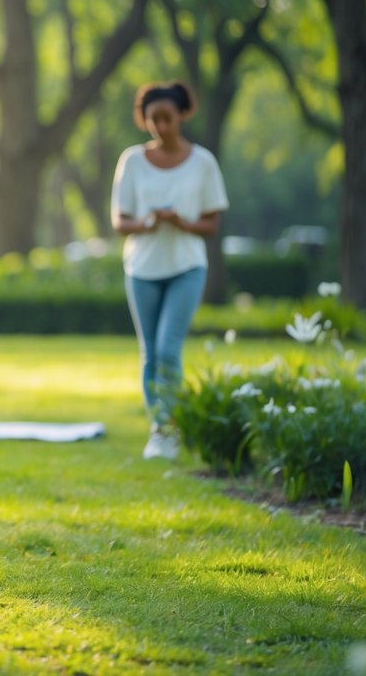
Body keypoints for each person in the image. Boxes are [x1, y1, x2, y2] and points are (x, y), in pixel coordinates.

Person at [110, 81, 228, 461]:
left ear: (182, 116)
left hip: (186, 267)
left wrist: (181, 222)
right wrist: (147, 222)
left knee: (168, 350)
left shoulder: (203, 163)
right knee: (149, 354)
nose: (160, 126)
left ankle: (170, 426)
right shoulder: (132, 160)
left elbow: (211, 223)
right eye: (152, 119)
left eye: (166, 118)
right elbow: (119, 220)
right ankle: (158, 428)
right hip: (142, 269)